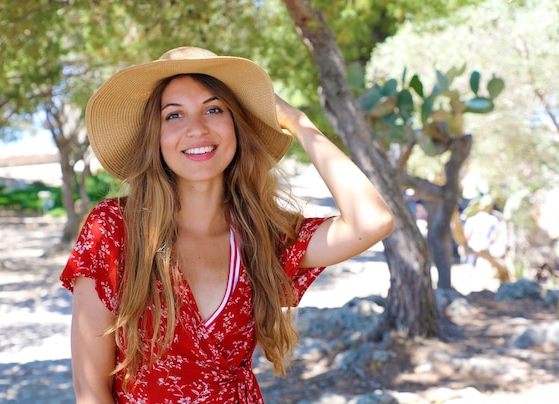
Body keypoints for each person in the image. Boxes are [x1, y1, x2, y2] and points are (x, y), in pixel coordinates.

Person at [60, 46, 394, 403]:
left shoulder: (262, 236)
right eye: (174, 116)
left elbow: (372, 221)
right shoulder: (113, 229)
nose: (197, 129)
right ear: (153, 135)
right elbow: (91, 392)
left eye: (214, 109)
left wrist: (298, 121)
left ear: (236, 124)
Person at [463, 195, 500, 266]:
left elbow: (467, 235)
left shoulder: (471, 219)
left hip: (472, 249)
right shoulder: (493, 220)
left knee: (470, 269)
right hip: (485, 249)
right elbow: (494, 237)